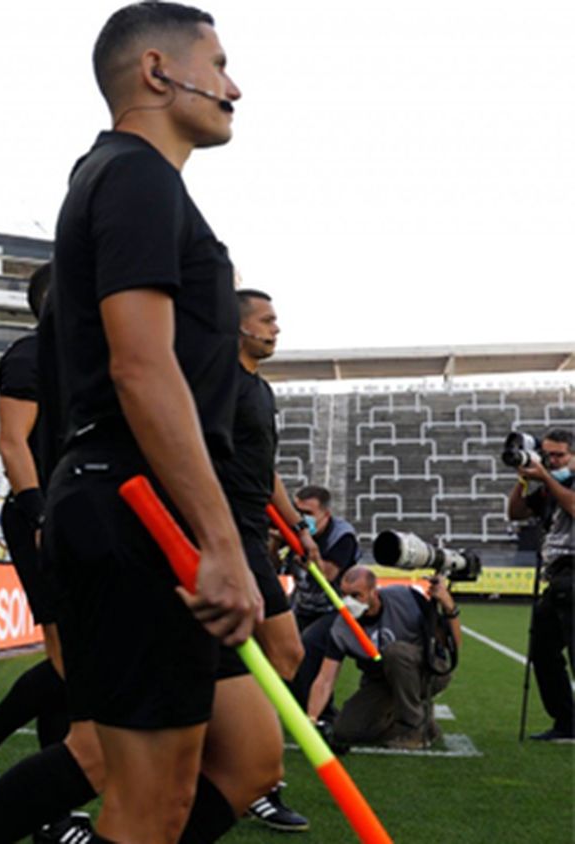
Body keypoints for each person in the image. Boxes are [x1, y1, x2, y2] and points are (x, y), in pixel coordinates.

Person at [37, 4, 257, 842]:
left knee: (241, 760)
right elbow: (140, 366)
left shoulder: (114, 175)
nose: (234, 86)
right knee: (150, 804)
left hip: (124, 502)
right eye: (221, 63)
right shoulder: (134, 175)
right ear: (159, 71)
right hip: (141, 508)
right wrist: (220, 542)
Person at [0, 263, 96, 842]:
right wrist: (39, 515)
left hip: (87, 516)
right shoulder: (30, 355)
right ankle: (50, 809)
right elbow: (13, 442)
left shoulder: (92, 361)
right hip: (44, 516)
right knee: (70, 666)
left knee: (76, 666)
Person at [210, 289, 312, 832]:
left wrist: (295, 525)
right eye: (267, 320)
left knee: (246, 656)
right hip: (225, 533)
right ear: (239, 328)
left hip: (253, 529)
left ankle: (242, 770)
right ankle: (252, 777)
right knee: (285, 652)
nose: (277, 328)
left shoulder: (260, 390)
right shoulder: (218, 383)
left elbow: (263, 469)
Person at [307, 568, 460, 749]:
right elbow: (325, 679)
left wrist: (449, 605)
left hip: (428, 671)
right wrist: (311, 720)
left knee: (395, 653)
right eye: (344, 595)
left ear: (374, 592)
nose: (348, 602)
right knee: (345, 731)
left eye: (356, 595)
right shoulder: (341, 627)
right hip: (382, 681)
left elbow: (451, 644)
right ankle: (424, 722)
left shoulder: (406, 599)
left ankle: (414, 728)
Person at [506, 428, 575, 741]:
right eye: (548, 455)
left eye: (560, 455)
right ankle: (566, 722)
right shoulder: (550, 486)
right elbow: (515, 512)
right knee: (543, 650)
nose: (552, 460)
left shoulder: (558, 484)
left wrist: (546, 477)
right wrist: (523, 480)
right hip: (557, 577)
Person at [287, 485, 361, 717]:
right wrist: (276, 539)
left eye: (308, 514)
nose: (302, 519)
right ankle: (300, 708)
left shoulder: (342, 536)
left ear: (325, 515)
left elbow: (328, 575)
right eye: (298, 511)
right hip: (303, 603)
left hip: (335, 608)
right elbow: (272, 563)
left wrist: (311, 548)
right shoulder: (291, 529)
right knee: (285, 649)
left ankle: (325, 714)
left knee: (309, 648)